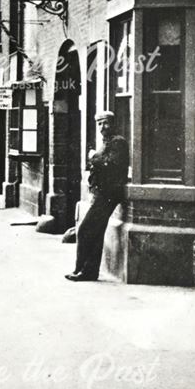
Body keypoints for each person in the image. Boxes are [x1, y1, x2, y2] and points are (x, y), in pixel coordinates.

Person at [66, 111, 130, 282]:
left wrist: (94, 157)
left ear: (113, 123)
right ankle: (86, 271)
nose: (103, 127)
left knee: (86, 229)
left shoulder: (118, 142)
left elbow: (112, 164)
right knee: (95, 232)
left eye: (106, 123)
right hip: (102, 192)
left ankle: (85, 270)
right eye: (100, 124)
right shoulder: (107, 142)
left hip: (109, 193)